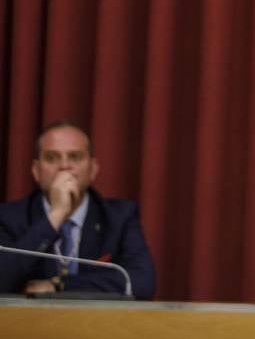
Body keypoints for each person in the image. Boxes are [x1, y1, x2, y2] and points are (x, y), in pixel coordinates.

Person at [0, 120, 156, 298]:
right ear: (36, 171)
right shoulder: (7, 217)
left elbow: (141, 282)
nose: (64, 166)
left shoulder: (119, 217)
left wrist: (59, 285)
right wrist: (57, 214)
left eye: (75, 157)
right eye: (51, 157)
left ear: (93, 169)